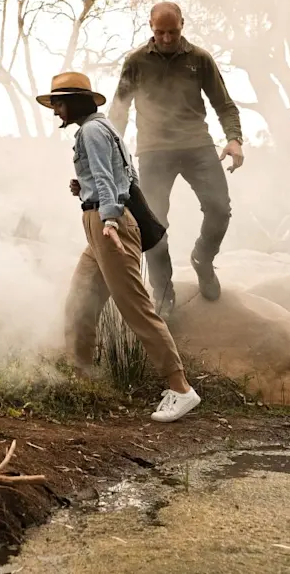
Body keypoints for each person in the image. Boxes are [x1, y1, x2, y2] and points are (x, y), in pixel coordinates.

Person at [40, 72, 201, 424]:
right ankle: (82, 379)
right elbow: (123, 177)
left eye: (59, 103)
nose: (56, 111)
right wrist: (84, 187)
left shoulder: (91, 131)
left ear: (77, 101)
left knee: (135, 307)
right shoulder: (105, 128)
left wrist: (110, 218)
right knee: (80, 301)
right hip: (101, 222)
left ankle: (181, 388)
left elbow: (108, 180)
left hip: (108, 226)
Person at [108, 2, 243, 305]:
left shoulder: (200, 59)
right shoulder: (136, 62)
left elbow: (224, 104)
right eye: (160, 32)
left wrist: (234, 139)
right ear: (151, 27)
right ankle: (164, 293)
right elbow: (119, 109)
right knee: (154, 225)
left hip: (197, 144)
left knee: (220, 208)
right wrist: (110, 150)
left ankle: (203, 259)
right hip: (155, 150)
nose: (167, 38)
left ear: (183, 24)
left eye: (173, 31)